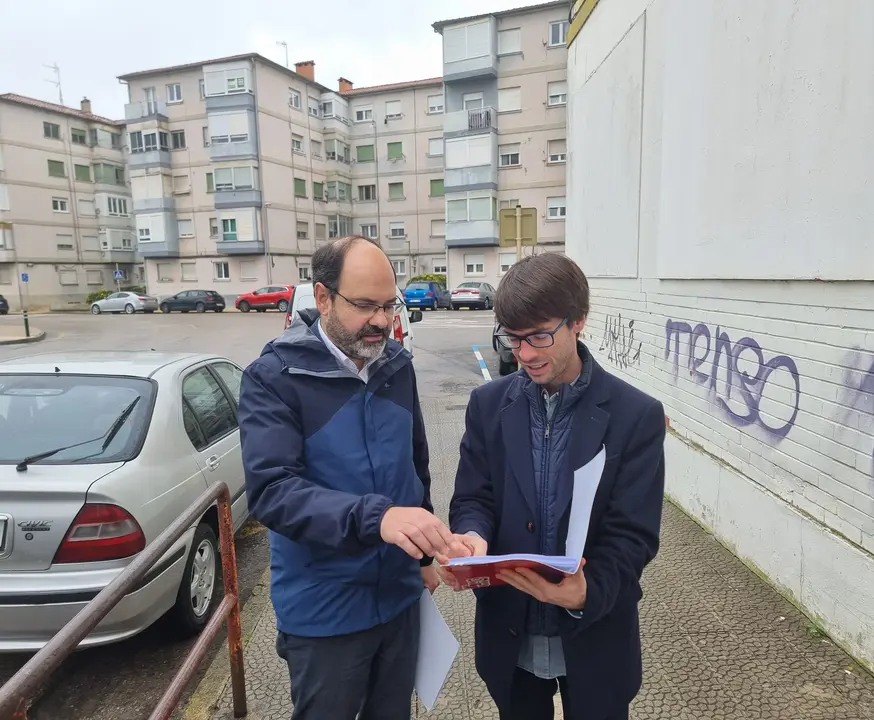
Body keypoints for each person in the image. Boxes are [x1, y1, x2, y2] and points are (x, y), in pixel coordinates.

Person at [238, 235, 462, 720]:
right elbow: (272, 492)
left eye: (388, 304)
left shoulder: (396, 364)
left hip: (400, 600)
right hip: (326, 613)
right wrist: (377, 517)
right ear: (322, 298)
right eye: (364, 305)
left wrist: (424, 555)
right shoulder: (273, 377)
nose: (381, 320)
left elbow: (414, 464)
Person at [439, 253, 666, 720]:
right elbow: (473, 497)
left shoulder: (635, 416)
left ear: (579, 320)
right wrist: (471, 537)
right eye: (513, 339)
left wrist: (588, 591)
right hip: (510, 632)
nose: (525, 355)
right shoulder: (487, 405)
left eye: (540, 336)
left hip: (595, 633)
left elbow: (634, 534)